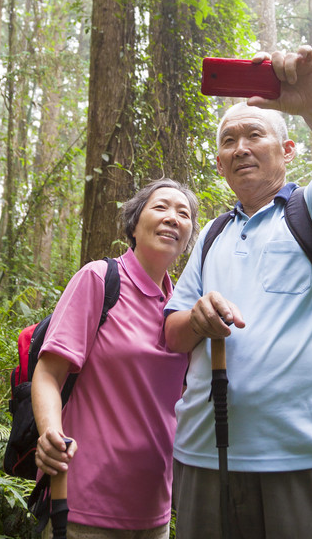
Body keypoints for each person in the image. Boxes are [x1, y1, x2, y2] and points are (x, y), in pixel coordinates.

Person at [164, 45, 312, 539]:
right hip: (203, 456)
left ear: (288, 150)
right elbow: (172, 333)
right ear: (219, 163)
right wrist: (197, 318)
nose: (241, 148)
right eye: (229, 141)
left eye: (255, 134)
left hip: (304, 458)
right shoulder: (211, 236)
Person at [31, 178, 200, 539]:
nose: (172, 217)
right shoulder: (99, 279)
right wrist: (50, 434)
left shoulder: (182, 310)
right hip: (82, 505)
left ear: (188, 239)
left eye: (183, 213)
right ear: (133, 225)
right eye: (160, 207)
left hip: (154, 511)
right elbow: (48, 372)